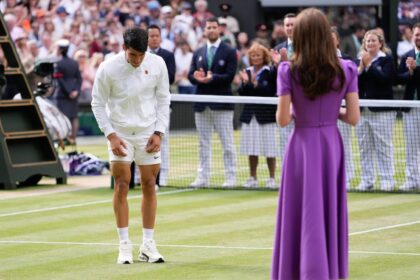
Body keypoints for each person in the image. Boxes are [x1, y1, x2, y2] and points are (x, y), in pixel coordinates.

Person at [272, 8, 360, 280]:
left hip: (302, 145)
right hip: (331, 144)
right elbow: (354, 117)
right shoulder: (346, 68)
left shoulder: (288, 70)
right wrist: (332, 112)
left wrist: (304, 113)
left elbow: (283, 119)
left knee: (301, 210)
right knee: (327, 210)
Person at [91, 27, 170, 264]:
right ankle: (124, 245)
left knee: (149, 184)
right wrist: (111, 135)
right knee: (122, 184)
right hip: (120, 133)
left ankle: (148, 245)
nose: (137, 60)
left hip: (148, 133)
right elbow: (97, 103)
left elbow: (164, 98)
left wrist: (159, 132)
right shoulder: (108, 67)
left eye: (141, 55)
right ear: (124, 48)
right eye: (133, 54)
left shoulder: (157, 64)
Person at [188, 17, 237, 187]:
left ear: (219, 30)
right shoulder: (198, 52)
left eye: (214, 27)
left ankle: (231, 177)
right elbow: (190, 75)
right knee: (203, 144)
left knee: (227, 143)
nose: (211, 30)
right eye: (208, 27)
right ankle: (203, 177)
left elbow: (230, 76)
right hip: (202, 104)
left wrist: (213, 78)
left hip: (222, 103)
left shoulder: (229, 51)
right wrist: (196, 78)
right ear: (204, 30)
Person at [355, 29, 396, 191]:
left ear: (380, 43)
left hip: (382, 111)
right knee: (364, 147)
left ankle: (387, 180)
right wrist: (360, 68)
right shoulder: (359, 60)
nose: (370, 43)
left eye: (373, 41)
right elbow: (354, 84)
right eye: (367, 41)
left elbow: (385, 80)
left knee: (383, 146)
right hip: (362, 110)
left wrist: (370, 65)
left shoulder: (387, 60)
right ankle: (367, 180)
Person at [238, 42, 277, 189]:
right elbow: (242, 93)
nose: (255, 58)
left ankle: (271, 178)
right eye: (252, 55)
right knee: (251, 148)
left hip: (266, 116)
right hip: (250, 115)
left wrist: (254, 85)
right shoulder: (246, 71)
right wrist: (245, 83)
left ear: (264, 57)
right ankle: (252, 177)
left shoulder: (271, 71)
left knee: (270, 148)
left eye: (258, 55)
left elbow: (269, 91)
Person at [147, 24, 176, 187]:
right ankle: (140, 176)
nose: (154, 38)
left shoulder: (168, 55)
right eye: (151, 36)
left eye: (156, 35)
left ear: (160, 37)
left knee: (162, 140)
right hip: (145, 104)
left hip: (162, 103)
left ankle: (162, 176)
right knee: (143, 139)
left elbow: (170, 78)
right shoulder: (141, 55)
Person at [332, 26, 356, 190]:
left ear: (338, 40)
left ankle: (346, 179)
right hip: (325, 113)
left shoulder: (348, 61)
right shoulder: (316, 61)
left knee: (344, 144)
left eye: (332, 38)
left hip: (342, 109)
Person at [397, 22, 420, 191]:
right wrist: (410, 72)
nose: (418, 37)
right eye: (416, 34)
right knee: (411, 146)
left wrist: (416, 69)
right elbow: (398, 79)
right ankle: (412, 179)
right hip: (409, 107)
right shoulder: (407, 55)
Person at [272, 13, 296, 161]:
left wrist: (287, 63)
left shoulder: (309, 47)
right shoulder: (278, 48)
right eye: (287, 25)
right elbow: (275, 77)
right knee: (284, 143)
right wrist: (277, 65)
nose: (290, 28)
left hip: (304, 100)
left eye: (293, 24)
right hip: (284, 101)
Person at [54, 39, 82, 142]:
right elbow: (79, 79)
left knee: (63, 117)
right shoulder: (74, 63)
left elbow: (59, 79)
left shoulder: (58, 63)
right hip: (73, 94)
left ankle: (65, 138)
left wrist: (69, 92)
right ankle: (73, 139)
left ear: (60, 50)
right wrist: (76, 91)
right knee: (74, 117)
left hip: (62, 94)